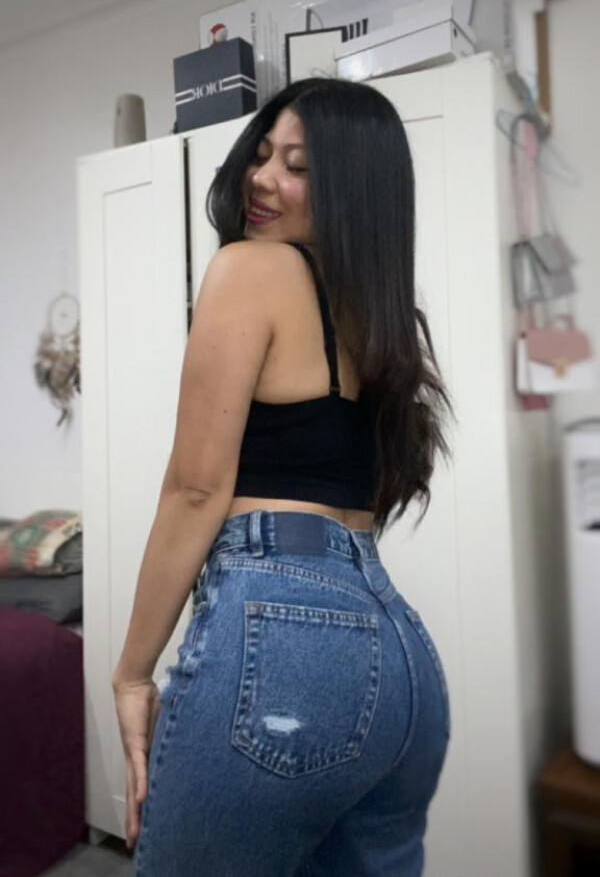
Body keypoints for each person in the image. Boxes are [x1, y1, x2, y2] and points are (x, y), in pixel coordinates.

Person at [112, 76, 453, 876]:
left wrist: (131, 674)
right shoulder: (383, 324)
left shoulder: (251, 269)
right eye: (262, 154)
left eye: (298, 167)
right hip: (403, 661)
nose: (262, 179)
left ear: (353, 190)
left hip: (287, 640)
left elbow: (197, 490)